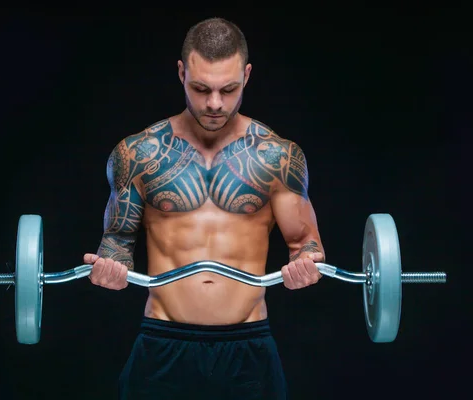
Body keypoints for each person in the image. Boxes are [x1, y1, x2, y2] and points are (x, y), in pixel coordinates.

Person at [83, 17, 325, 399]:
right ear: (181, 73)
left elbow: (307, 245)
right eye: (201, 88)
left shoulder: (277, 156)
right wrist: (111, 270)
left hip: (249, 344)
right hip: (163, 341)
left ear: (246, 75)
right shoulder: (138, 154)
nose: (214, 103)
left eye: (228, 89)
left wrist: (306, 268)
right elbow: (116, 243)